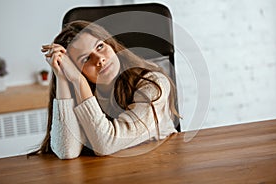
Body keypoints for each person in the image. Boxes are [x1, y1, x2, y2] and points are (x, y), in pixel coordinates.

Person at [33, 20, 180, 159]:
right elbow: (67, 150)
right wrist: (62, 76)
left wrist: (80, 81)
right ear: (75, 70)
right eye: (85, 59)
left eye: (100, 47)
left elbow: (106, 144)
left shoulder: (154, 83)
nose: (99, 59)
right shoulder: (79, 90)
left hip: (159, 162)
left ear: (111, 45)